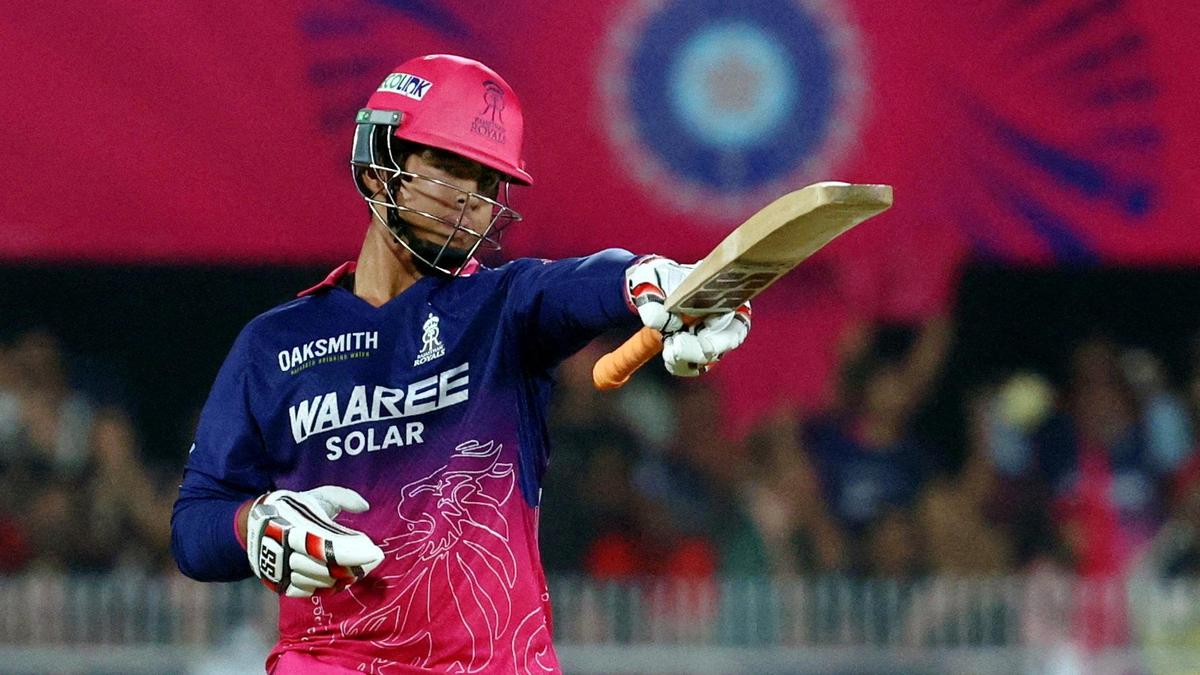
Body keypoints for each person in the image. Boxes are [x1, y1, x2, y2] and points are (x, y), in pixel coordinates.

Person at [170, 54, 751, 673]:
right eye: (449, 167)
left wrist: (645, 278)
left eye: (486, 180)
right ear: (378, 168)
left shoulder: (501, 310)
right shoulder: (272, 344)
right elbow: (194, 527)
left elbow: (576, 285)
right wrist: (255, 526)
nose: (471, 199)